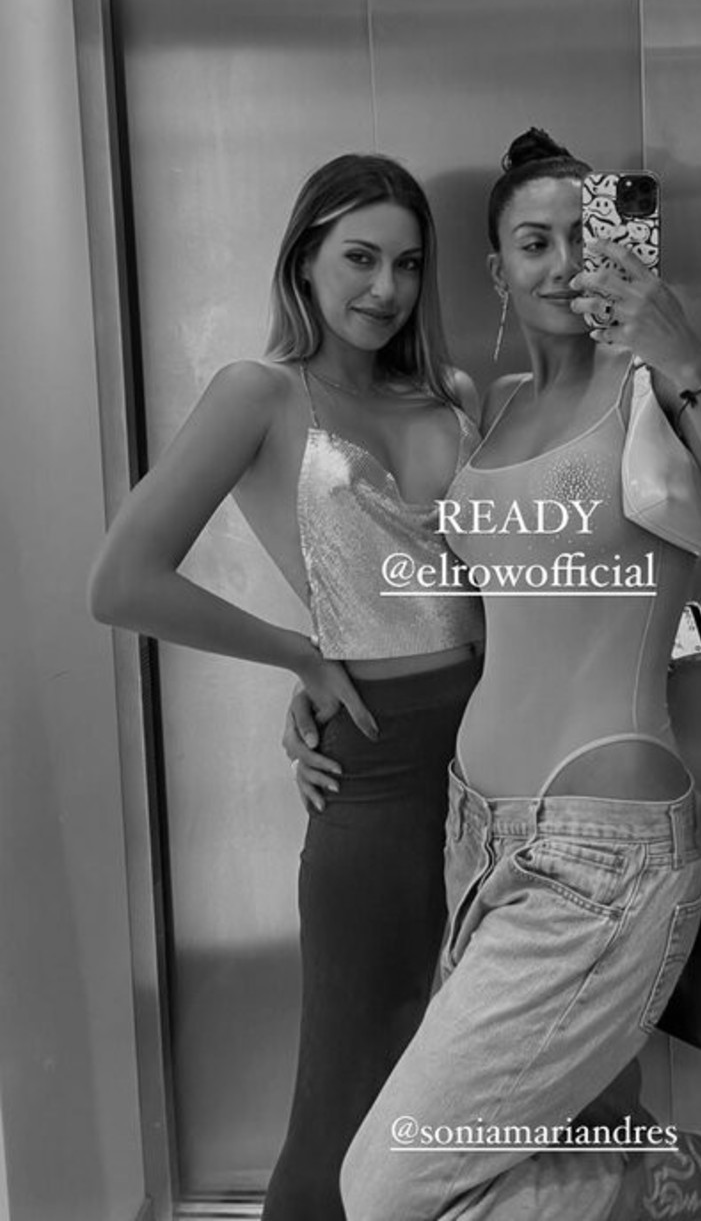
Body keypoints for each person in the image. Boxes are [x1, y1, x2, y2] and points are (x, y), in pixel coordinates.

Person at [316, 126, 701, 1221]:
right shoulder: (491, 407)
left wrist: (687, 355)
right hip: (476, 838)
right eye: (531, 243)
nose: (561, 263)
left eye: (582, 237)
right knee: (516, 1156)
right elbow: (475, 609)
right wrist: (315, 673)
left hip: (602, 856)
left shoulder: (652, 390)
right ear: (497, 271)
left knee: (387, 1188)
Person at [89, 154, 484, 1221]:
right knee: (346, 1109)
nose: (386, 287)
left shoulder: (453, 395)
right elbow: (122, 580)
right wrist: (302, 657)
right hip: (380, 771)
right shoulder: (258, 393)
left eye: (409, 262)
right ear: (305, 259)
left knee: (473, 1107)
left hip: (502, 760)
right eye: (359, 257)